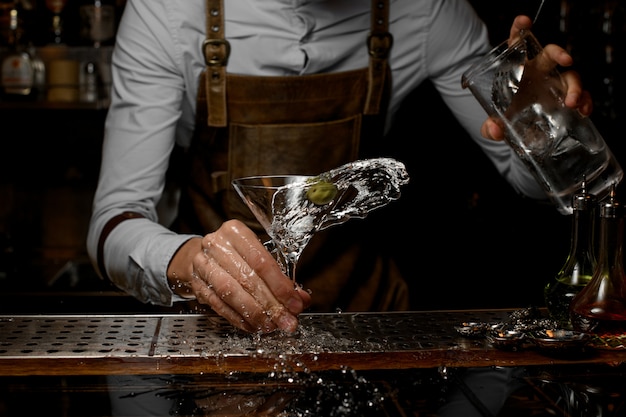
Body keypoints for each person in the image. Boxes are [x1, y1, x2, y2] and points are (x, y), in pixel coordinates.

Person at [86, 0, 592, 336]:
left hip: (369, 322)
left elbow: (535, 184)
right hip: (213, 331)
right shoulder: (166, 12)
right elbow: (112, 224)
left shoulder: (425, 10)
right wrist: (188, 263)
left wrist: (539, 122)